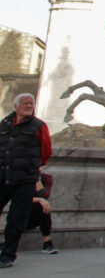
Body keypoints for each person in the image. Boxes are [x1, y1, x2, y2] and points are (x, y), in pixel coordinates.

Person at [0, 93, 53, 269]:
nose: (29, 106)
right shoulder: (5, 124)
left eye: (31, 103)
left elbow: (46, 152)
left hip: (25, 180)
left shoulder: (39, 126)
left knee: (16, 219)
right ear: (16, 106)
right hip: (3, 176)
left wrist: (33, 166)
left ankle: (7, 255)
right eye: (25, 103)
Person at [26, 171, 58, 254]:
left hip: (34, 216)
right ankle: (5, 241)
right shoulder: (22, 177)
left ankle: (47, 242)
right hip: (21, 215)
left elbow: (44, 196)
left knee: (43, 205)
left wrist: (37, 179)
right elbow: (18, 198)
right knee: (18, 207)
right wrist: (38, 199)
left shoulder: (46, 177)